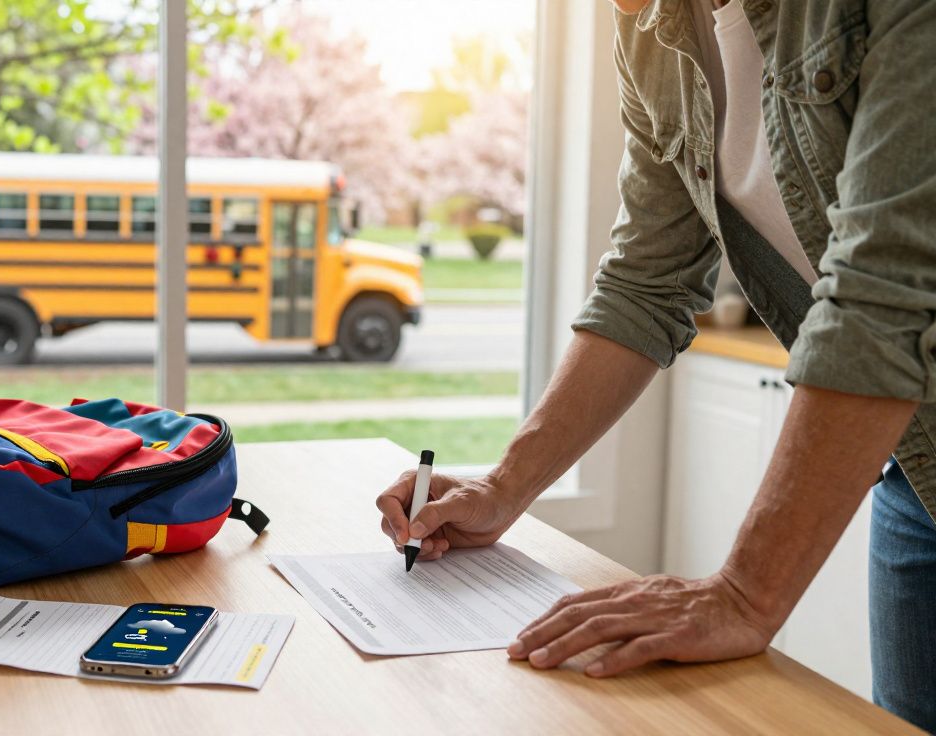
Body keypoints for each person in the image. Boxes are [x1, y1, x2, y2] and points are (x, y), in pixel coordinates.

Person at [377, 0, 936, 729]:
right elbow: (644, 281)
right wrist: (503, 487)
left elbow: (885, 293)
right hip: (918, 474)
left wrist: (744, 594)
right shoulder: (651, 28)